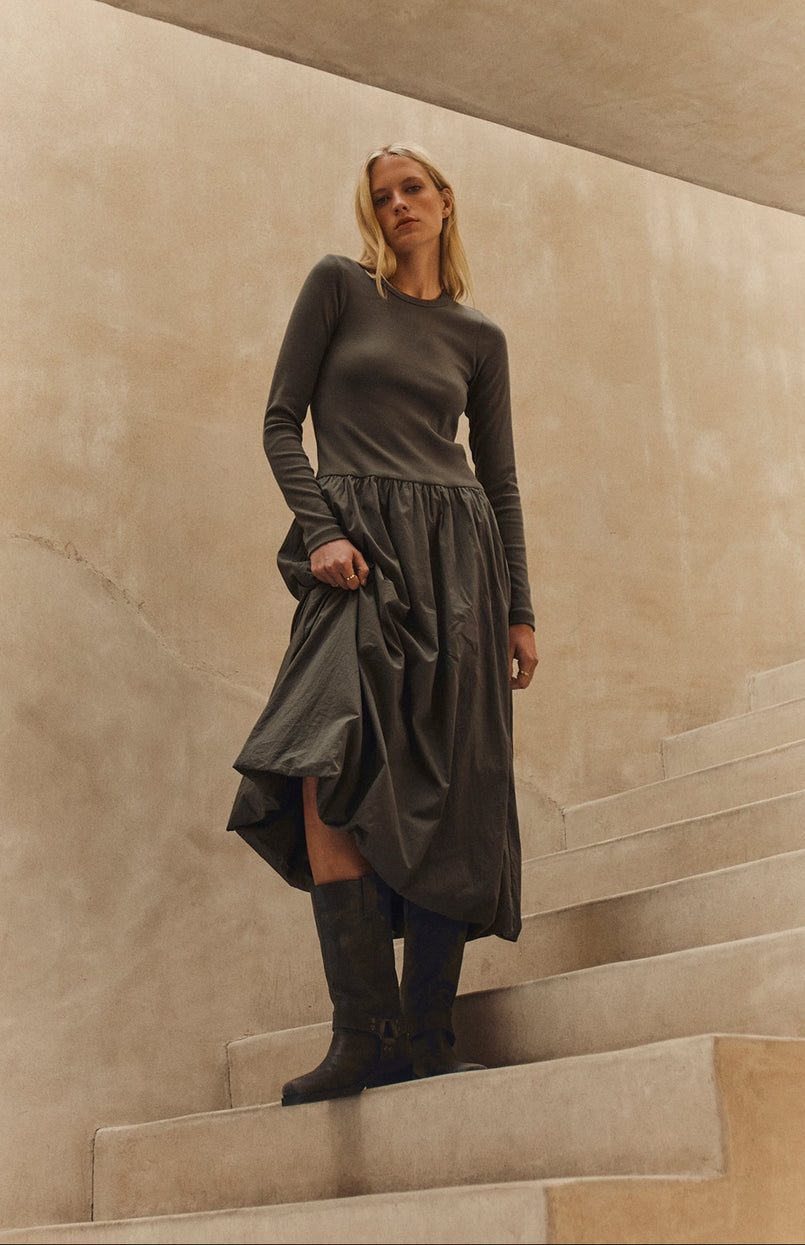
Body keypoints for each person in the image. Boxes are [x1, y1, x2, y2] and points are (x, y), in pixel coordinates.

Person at [227, 142, 538, 1107]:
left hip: (461, 566)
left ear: (446, 201)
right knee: (327, 762)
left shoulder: (479, 336)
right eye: (381, 194)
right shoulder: (338, 287)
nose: (397, 203)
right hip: (359, 553)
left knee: (452, 780)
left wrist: (520, 607)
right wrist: (319, 530)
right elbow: (282, 420)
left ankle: (431, 1033)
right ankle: (363, 1031)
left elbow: (500, 478)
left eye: (413, 188)